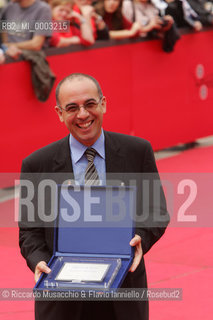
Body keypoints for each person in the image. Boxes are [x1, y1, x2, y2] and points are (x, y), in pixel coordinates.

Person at [19, 73, 169, 320]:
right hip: (61, 297)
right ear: (59, 113)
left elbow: (156, 211)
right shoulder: (37, 164)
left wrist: (141, 238)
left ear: (103, 104)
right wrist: (39, 261)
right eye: (72, 108)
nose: (82, 115)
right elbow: (29, 231)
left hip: (124, 292)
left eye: (89, 104)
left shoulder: (137, 151)